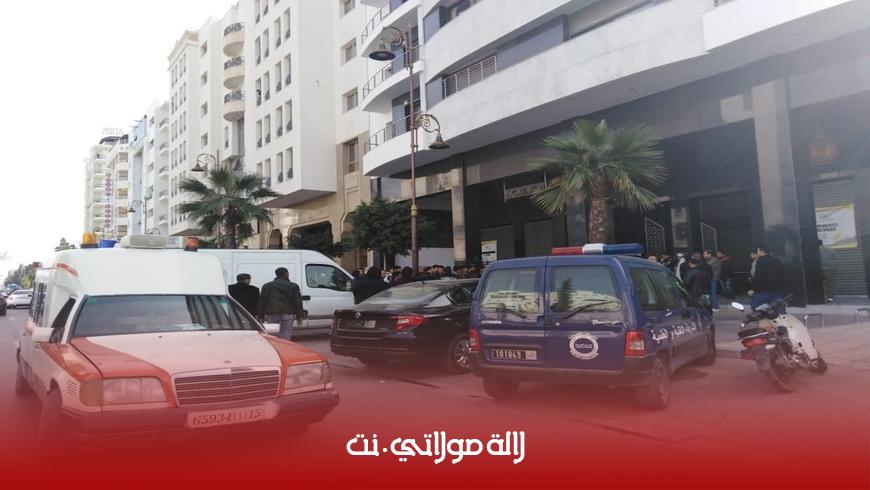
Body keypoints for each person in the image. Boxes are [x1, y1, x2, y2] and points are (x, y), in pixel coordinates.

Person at [258, 267, 304, 341]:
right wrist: (299, 316)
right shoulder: (293, 286)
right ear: (286, 274)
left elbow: (262, 301)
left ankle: (274, 346)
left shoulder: (267, 286)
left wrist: (261, 315)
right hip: (288, 312)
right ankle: (285, 346)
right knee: (286, 333)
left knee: (272, 333)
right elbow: (297, 301)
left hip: (272, 312)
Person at [748, 244, 785, 312]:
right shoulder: (777, 261)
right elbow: (782, 275)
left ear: (761, 251)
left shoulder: (760, 262)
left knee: (756, 308)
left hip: (763, 290)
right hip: (776, 290)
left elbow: (758, 276)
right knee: (779, 310)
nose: (757, 252)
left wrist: (753, 288)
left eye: (758, 251)